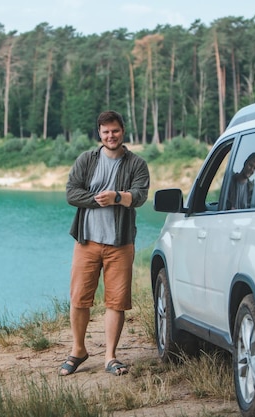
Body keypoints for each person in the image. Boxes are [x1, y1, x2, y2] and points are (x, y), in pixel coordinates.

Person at [59, 110, 150, 377]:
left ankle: (110, 356)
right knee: (79, 299)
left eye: (115, 131)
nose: (111, 136)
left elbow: (140, 195)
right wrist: (98, 199)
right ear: (99, 133)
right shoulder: (86, 160)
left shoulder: (137, 164)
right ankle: (78, 350)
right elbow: (71, 192)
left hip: (120, 244)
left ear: (123, 131)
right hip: (87, 241)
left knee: (116, 302)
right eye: (106, 131)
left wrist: (118, 197)